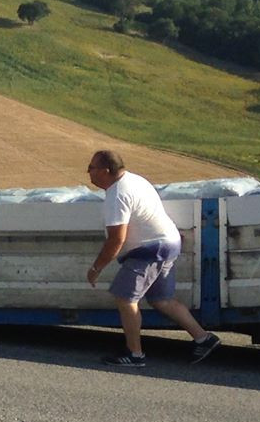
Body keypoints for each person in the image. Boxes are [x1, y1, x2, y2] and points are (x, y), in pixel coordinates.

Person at [83, 149, 220, 369]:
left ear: (106, 171)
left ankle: (135, 354)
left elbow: (116, 240)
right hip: (166, 243)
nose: (88, 172)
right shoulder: (135, 180)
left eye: (91, 168)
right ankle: (204, 338)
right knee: (161, 300)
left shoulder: (117, 195)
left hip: (149, 250)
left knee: (125, 298)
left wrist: (96, 267)